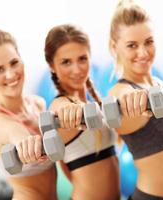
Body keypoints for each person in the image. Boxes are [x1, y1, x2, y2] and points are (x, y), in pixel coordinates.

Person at [108, 1, 163, 199]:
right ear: (114, 46)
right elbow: (120, 100)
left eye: (149, 41)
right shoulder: (121, 90)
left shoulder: (159, 83)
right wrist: (133, 99)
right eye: (132, 46)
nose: (143, 52)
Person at [0, 30, 57, 200]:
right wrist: (26, 143)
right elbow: (17, 134)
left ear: (22, 61)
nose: (11, 74)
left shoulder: (38, 104)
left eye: (14, 63)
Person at [44, 24, 120, 200]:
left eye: (82, 59)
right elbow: (60, 110)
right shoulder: (61, 104)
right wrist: (68, 110)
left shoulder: (95, 104)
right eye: (66, 62)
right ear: (52, 66)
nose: (77, 69)